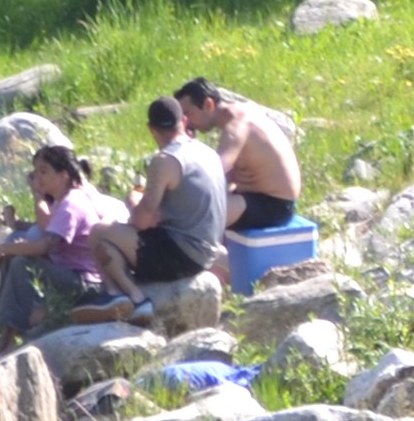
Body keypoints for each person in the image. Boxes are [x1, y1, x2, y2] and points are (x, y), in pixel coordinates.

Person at [0, 144, 134, 345]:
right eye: (36, 171)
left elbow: (45, 245)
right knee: (14, 258)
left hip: (86, 282)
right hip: (70, 274)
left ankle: (8, 337)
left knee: (21, 262)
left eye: (44, 172)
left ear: (64, 175)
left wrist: (4, 248)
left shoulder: (72, 204)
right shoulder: (60, 201)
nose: (37, 178)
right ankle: (10, 328)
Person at [175, 77, 306, 234]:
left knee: (193, 217)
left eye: (188, 114)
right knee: (188, 207)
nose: (186, 122)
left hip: (275, 205)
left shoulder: (237, 126)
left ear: (208, 104)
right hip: (253, 196)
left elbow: (213, 172)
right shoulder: (237, 115)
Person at [125, 94, 229, 292]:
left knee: (101, 234)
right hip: (212, 248)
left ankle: (125, 295)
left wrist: (134, 202)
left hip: (184, 256)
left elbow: (141, 222)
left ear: (151, 129)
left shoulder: (166, 160)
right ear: (184, 121)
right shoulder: (209, 152)